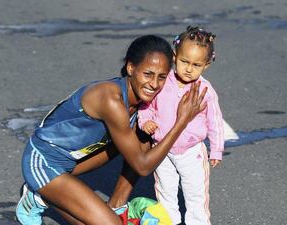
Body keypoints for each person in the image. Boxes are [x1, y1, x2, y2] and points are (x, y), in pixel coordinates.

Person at [15, 34, 208, 225]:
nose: (154, 84)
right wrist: (181, 122)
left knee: (146, 136)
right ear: (131, 67)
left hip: (72, 161)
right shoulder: (110, 99)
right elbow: (143, 166)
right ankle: (38, 194)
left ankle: (116, 204)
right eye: (148, 74)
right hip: (43, 161)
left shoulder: (142, 98)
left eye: (162, 77)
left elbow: (142, 150)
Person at [138, 26, 224, 225]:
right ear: (175, 56)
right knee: (165, 191)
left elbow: (215, 121)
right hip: (162, 150)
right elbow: (147, 104)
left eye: (196, 65)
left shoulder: (204, 90)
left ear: (206, 66)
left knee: (196, 194)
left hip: (191, 152)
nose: (188, 69)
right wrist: (146, 121)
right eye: (184, 61)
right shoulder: (164, 81)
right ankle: (169, 221)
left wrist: (217, 149)